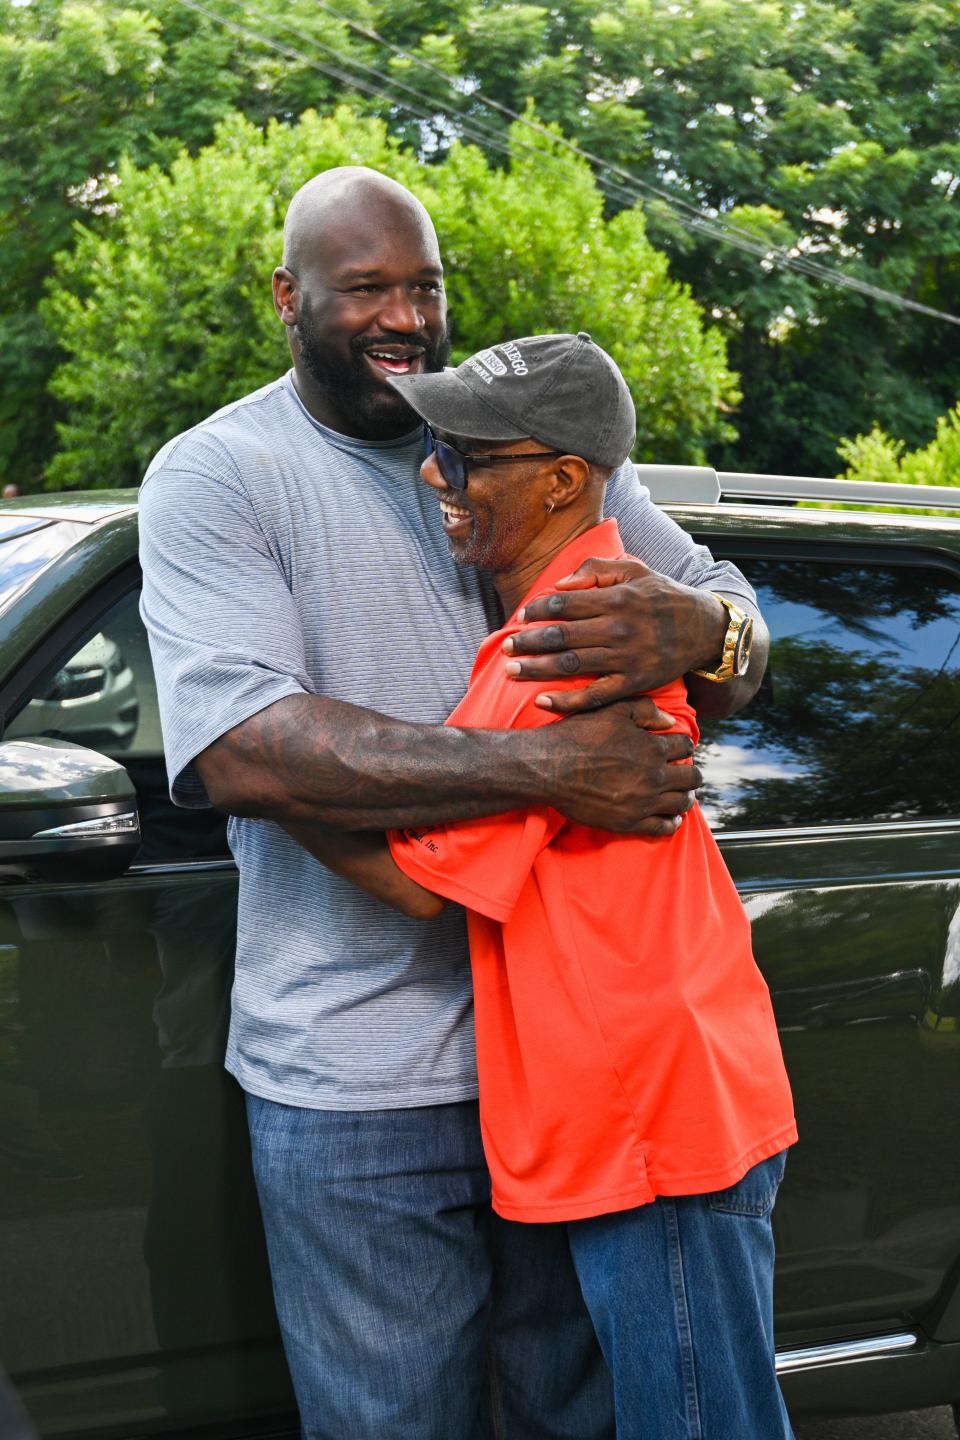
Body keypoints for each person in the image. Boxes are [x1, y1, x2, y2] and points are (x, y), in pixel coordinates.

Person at [139, 167, 771, 1440]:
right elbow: (246, 751)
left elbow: (731, 632)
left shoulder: (519, 442)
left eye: (422, 286)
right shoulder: (222, 474)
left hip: (572, 1077)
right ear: (288, 298)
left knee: (588, 1421)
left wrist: (709, 623)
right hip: (361, 1077)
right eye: (364, 287)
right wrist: (538, 770)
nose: (402, 316)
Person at [296, 330, 797, 1439]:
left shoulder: (557, 642)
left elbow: (420, 882)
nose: (438, 473)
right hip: (667, 1104)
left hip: (651, 1129)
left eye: (468, 455)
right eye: (438, 446)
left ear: (567, 477)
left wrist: (266, 785)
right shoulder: (606, 610)